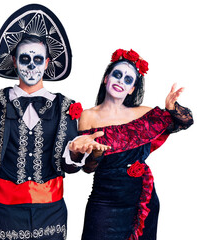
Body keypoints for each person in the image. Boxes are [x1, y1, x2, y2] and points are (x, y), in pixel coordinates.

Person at [0, 4, 108, 240]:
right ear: (14, 61)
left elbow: (70, 168)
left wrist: (75, 152)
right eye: (25, 58)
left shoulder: (65, 106)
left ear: (46, 62)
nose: (31, 65)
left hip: (52, 211)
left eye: (37, 59)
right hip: (6, 211)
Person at [77, 49, 194, 240]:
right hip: (105, 203)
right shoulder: (88, 116)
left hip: (142, 201)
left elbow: (185, 122)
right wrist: (95, 153)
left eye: (128, 79)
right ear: (106, 79)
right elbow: (88, 168)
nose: (121, 81)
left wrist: (172, 108)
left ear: (132, 88)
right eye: (117, 75)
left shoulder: (144, 113)